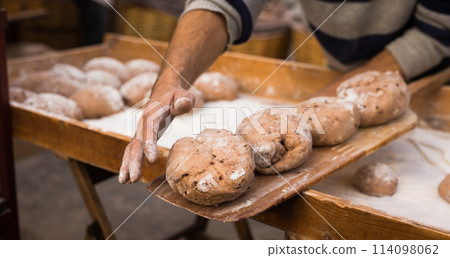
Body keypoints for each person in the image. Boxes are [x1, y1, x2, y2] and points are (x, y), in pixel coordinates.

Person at [118, 0, 450, 183]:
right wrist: (170, 82)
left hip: (436, 86)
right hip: (345, 77)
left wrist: (332, 101)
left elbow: (437, 32)